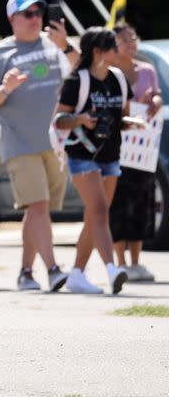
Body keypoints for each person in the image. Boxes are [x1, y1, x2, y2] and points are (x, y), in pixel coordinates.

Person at [0, 0, 78, 292]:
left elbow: (79, 72)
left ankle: (25, 272)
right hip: (18, 142)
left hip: (53, 142)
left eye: (38, 13)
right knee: (39, 205)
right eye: (28, 14)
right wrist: (4, 90)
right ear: (12, 19)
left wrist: (66, 45)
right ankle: (53, 270)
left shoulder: (53, 45)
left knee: (37, 210)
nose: (36, 19)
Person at [54, 27, 134, 294]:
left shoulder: (118, 79)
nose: (118, 50)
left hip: (111, 156)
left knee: (95, 216)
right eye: (113, 46)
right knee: (99, 211)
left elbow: (121, 116)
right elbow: (59, 120)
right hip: (81, 155)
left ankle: (76, 274)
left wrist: (133, 123)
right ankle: (112, 270)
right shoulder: (78, 81)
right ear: (98, 52)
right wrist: (80, 119)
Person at [106, 22, 162, 281]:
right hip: (117, 147)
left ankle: (137, 261)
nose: (131, 43)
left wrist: (155, 101)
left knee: (142, 201)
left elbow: (157, 95)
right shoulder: (109, 73)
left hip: (143, 148)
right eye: (124, 39)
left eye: (133, 37)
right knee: (118, 203)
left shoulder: (148, 70)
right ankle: (120, 261)